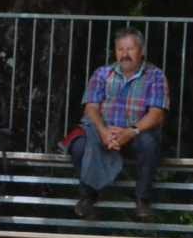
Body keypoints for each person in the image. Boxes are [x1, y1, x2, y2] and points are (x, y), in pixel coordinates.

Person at [67, 27, 169, 222]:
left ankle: (142, 200)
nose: (125, 54)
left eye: (130, 49)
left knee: (149, 144)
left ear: (142, 51)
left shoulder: (155, 75)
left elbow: (157, 114)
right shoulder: (102, 73)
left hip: (136, 134)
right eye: (120, 49)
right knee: (79, 145)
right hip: (105, 133)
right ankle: (88, 197)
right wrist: (104, 132)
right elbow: (91, 107)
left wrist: (130, 132)